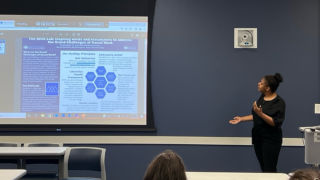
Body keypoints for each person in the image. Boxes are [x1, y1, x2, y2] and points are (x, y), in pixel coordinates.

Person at [229, 73, 286, 172]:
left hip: (271, 140)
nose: (258, 83)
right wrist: (241, 119)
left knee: (270, 169)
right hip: (258, 138)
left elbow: (275, 123)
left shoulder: (279, 103)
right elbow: (256, 115)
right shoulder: (262, 98)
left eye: (261, 83)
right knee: (263, 168)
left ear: (267, 88)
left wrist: (260, 114)